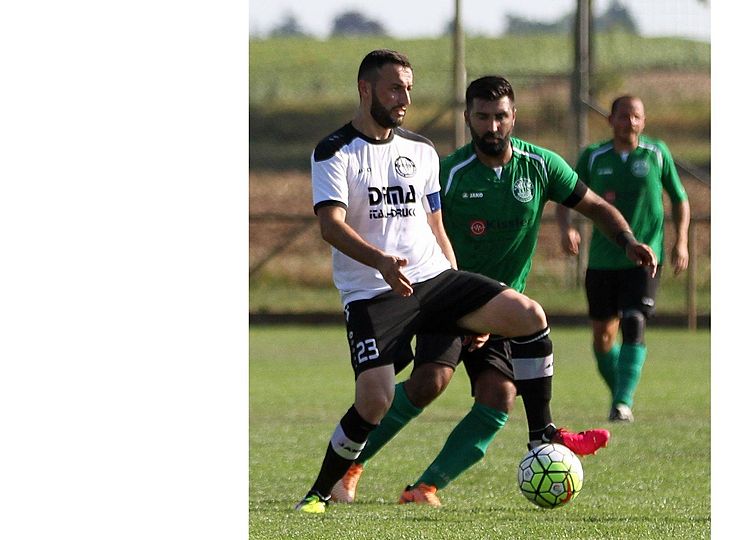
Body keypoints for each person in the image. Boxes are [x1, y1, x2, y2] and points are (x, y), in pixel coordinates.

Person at [326, 76, 659, 507]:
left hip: (504, 307)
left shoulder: (540, 166)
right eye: (482, 117)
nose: (492, 126)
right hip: (446, 292)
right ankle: (350, 466)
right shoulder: (449, 173)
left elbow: (594, 206)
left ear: (513, 117)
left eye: (500, 116)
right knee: (430, 380)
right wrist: (463, 307)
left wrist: (629, 239)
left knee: (499, 396)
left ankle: (424, 488)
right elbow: (422, 232)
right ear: (468, 118)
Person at [295, 51, 578, 514]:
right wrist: (381, 262)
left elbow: (436, 225)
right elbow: (330, 224)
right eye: (393, 88)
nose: (404, 97)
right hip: (373, 291)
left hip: (435, 279)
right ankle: (320, 492)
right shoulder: (334, 151)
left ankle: (540, 433)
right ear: (365, 90)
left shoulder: (421, 150)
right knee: (375, 400)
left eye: (408, 87)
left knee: (528, 315)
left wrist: (463, 298)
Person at [557, 95, 690, 422]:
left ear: (643, 121)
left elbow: (680, 199)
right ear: (610, 120)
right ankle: (622, 394)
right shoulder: (593, 156)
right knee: (603, 335)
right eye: (623, 116)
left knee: (634, 320)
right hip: (602, 261)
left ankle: (621, 403)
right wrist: (567, 228)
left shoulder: (657, 153)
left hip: (645, 258)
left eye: (636, 116)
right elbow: (565, 196)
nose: (629, 122)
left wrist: (681, 242)